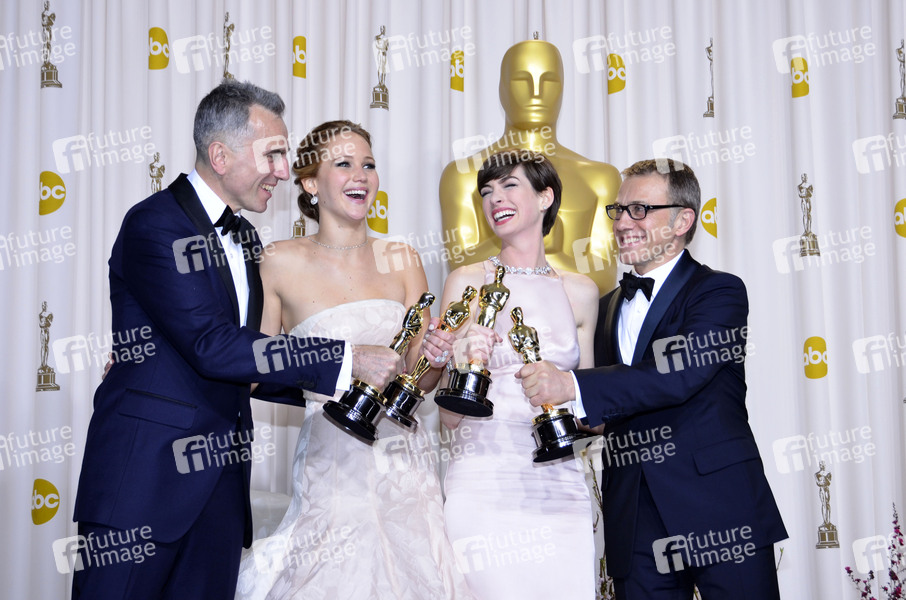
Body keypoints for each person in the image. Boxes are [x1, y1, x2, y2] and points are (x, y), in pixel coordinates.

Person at [71, 82, 400, 600]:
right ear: (221, 156)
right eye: (273, 154)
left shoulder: (246, 239)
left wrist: (356, 391)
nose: (283, 171)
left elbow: (249, 363)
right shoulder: (155, 224)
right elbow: (212, 344)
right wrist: (346, 359)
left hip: (220, 497)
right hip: (143, 490)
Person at [517, 159, 788, 599]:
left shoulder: (719, 292)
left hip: (720, 509)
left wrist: (572, 386)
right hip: (634, 518)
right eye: (618, 210)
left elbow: (678, 374)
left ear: (683, 221)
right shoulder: (604, 306)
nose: (623, 222)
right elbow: (608, 409)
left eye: (639, 210)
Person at [234, 120, 473, 600]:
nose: (360, 175)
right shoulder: (277, 260)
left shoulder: (401, 256)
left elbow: (421, 381)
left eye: (368, 164)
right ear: (309, 183)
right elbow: (255, 367)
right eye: (343, 164)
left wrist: (435, 358)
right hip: (331, 459)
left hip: (404, 461)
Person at [439, 150, 600, 598]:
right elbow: (449, 418)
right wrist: (465, 362)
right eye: (487, 191)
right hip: (483, 478)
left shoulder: (581, 291)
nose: (496, 199)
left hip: (559, 481)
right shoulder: (466, 282)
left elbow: (591, 412)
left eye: (510, 185)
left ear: (546, 197)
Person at [439, 38, 622, 296]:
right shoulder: (463, 175)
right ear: (502, 89)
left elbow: (604, 277)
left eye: (549, 81)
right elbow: (462, 270)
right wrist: (537, 244)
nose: (536, 92)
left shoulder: (600, 178)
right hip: (493, 317)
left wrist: (541, 251)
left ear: (562, 89)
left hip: (574, 317)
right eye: (522, 80)